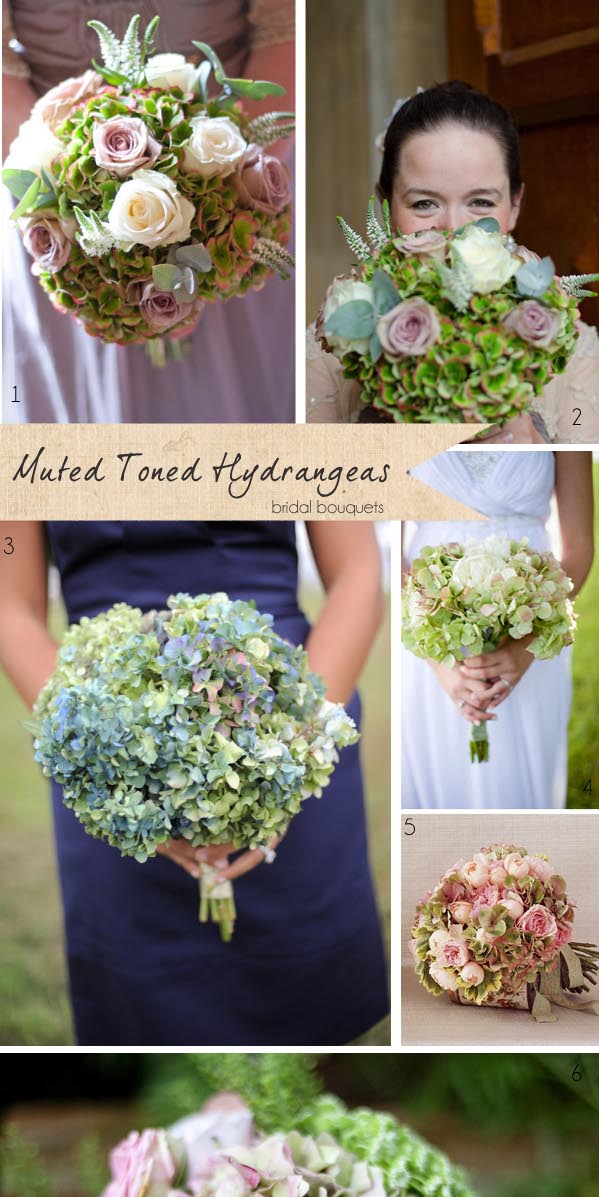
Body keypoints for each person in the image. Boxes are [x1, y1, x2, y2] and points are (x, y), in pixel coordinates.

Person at [0, 520, 389, 1045]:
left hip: (281, 711)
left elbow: (358, 572)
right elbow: (10, 605)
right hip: (110, 745)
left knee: (310, 1017)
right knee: (145, 1021)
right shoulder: (25, 436)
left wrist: (288, 760)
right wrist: (107, 767)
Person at [2, 0, 295, 423]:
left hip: (234, 165)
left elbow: (285, 29)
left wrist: (221, 202)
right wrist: (74, 211)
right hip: (52, 196)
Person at [308, 81, 599, 440]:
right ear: (385, 203)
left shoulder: (577, 351)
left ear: (515, 205)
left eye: (480, 203)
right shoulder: (327, 352)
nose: (453, 230)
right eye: (424, 204)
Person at [401, 450, 595, 808]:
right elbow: (385, 552)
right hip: (427, 619)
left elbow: (580, 545)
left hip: (534, 616)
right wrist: (439, 661)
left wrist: (528, 645)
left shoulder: (567, 408)